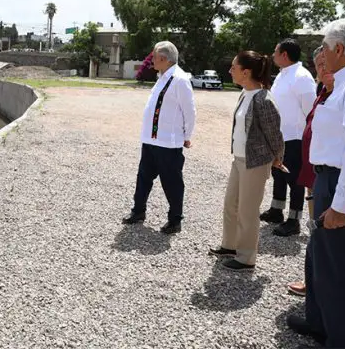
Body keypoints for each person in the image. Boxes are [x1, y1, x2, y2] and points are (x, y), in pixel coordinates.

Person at [287, 17, 345, 348]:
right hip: (331, 179)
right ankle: (322, 324)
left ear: (340, 48)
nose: (321, 54)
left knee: (337, 269)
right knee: (323, 260)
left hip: (343, 184)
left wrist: (341, 206)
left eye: (324, 47)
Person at [209, 51, 284, 271]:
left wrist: (278, 158)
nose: (230, 71)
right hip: (239, 159)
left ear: (246, 71)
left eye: (234, 67)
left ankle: (246, 258)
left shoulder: (263, 98)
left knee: (247, 210)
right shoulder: (244, 94)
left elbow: (274, 134)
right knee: (230, 204)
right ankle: (230, 246)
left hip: (255, 163)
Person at [122, 41, 196, 234]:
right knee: (143, 178)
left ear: (163, 59)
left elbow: (190, 112)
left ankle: (175, 220)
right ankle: (138, 211)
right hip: (151, 140)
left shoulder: (180, 80)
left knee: (171, 182)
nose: (151, 60)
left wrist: (187, 136)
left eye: (154, 57)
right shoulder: (162, 77)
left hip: (168, 142)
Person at [286, 47, 335, 297]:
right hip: (314, 173)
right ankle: (314, 281)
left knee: (322, 232)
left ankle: (318, 286)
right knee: (314, 228)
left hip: (326, 175)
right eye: (319, 64)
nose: (322, 69)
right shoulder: (322, 90)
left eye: (327, 63)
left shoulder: (340, 93)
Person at [261, 39, 316, 236]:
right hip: (279, 136)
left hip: (294, 137)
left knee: (295, 179)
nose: (273, 55)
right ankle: (277, 210)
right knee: (278, 175)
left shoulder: (302, 77)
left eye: (276, 52)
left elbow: (310, 110)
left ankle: (294, 220)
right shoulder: (283, 75)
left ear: (284, 55)